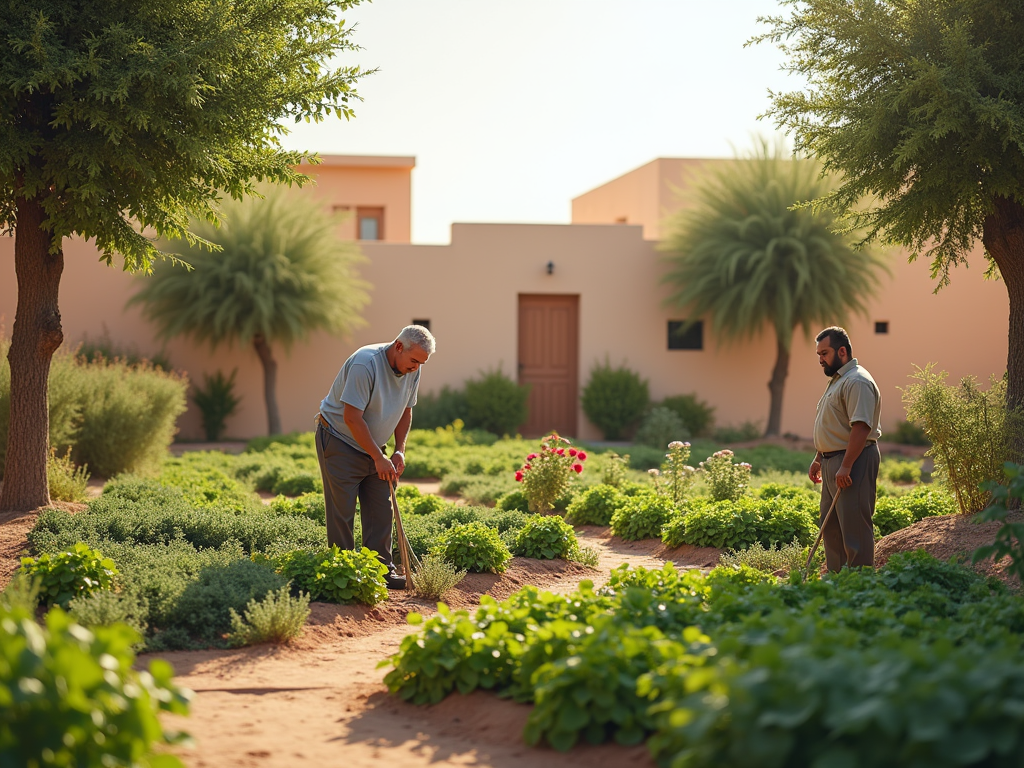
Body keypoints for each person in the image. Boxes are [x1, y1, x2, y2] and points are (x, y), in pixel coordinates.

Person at [314, 325, 435, 589]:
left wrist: (398, 449)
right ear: (399, 346)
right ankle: (343, 573)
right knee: (342, 512)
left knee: (382, 508)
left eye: (422, 363)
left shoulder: (413, 367)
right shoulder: (365, 363)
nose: (416, 367)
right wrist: (377, 457)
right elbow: (351, 418)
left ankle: (380, 572)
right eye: (414, 361)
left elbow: (406, 410)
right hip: (339, 440)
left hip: (373, 445)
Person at [808, 326, 881, 571]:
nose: (820, 359)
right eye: (818, 354)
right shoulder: (838, 380)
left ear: (842, 351)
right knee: (831, 526)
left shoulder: (857, 381)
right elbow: (835, 424)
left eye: (825, 353)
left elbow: (860, 427)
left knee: (853, 526)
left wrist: (846, 465)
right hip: (833, 461)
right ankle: (836, 579)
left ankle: (860, 582)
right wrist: (819, 457)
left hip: (853, 460)